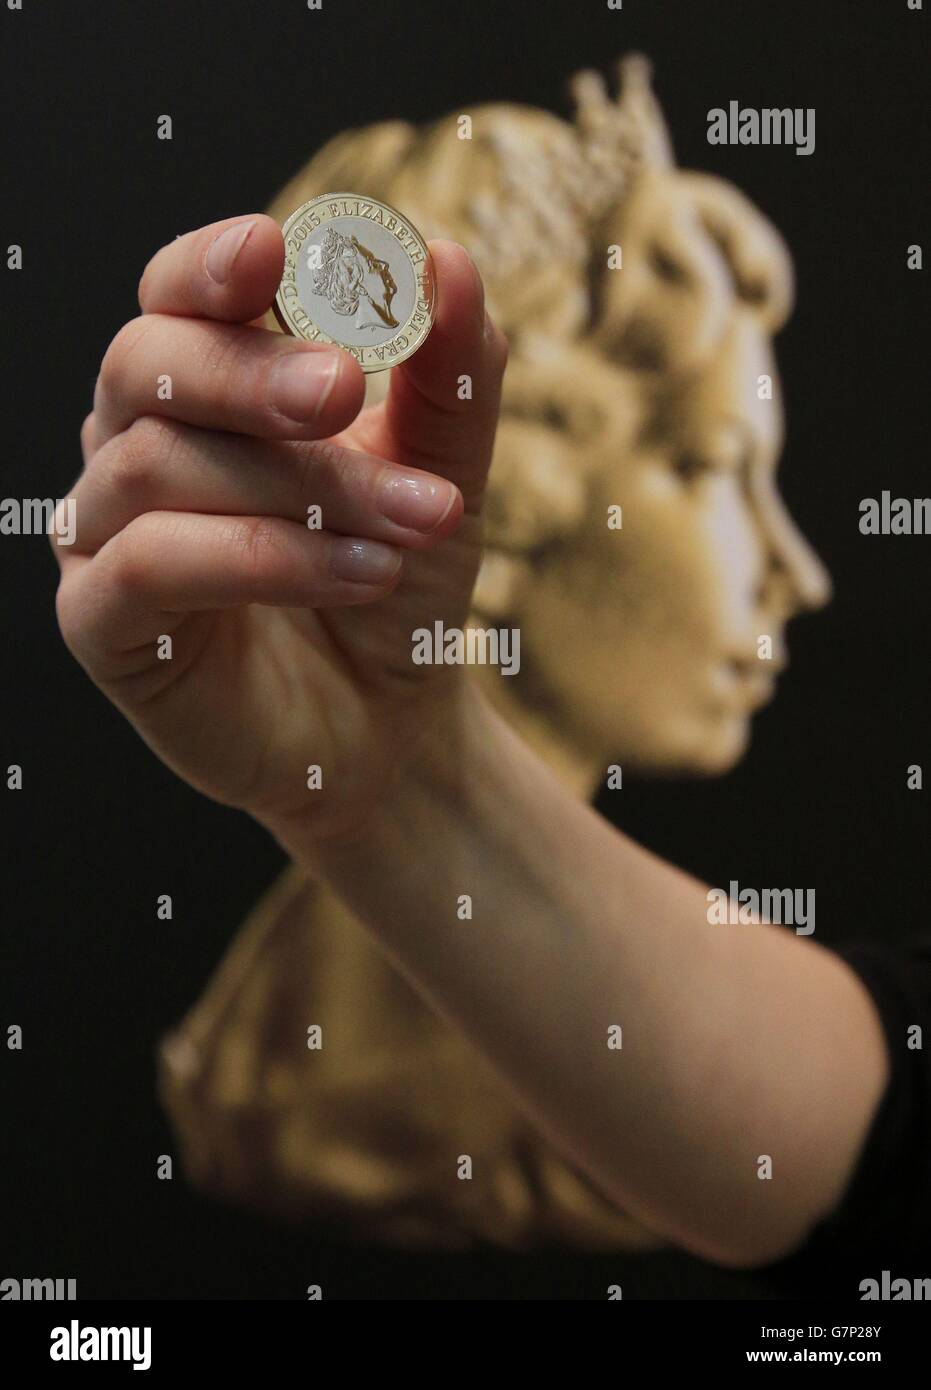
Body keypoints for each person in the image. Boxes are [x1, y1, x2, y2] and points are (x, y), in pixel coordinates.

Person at [50, 57, 929, 1275]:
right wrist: (391, 788)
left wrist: (399, 785)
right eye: (709, 467)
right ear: (500, 498)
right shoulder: (281, 1084)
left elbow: (868, 1143)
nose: (798, 569)